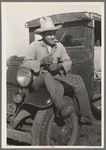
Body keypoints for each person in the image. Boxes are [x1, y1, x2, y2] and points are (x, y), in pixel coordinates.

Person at [23, 16, 95, 124]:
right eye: (49, 34)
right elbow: (26, 63)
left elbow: (68, 61)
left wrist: (60, 66)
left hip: (55, 75)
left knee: (78, 80)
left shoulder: (59, 46)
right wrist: (41, 62)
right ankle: (62, 108)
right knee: (47, 76)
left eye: (54, 33)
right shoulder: (34, 46)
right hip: (39, 78)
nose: (53, 36)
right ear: (42, 35)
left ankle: (85, 115)